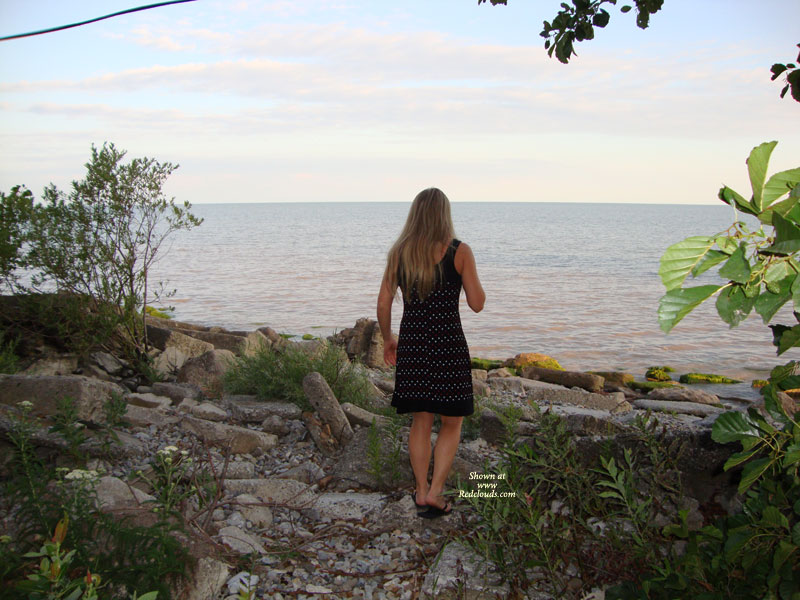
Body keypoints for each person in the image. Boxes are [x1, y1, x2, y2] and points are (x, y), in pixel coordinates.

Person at [377, 187, 485, 518]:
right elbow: (477, 304)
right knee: (452, 423)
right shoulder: (459, 251)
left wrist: (388, 339)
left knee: (421, 421)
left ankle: (420, 490)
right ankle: (436, 492)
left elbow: (383, 303)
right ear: (444, 215)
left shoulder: (400, 253)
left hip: (413, 345)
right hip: (449, 346)